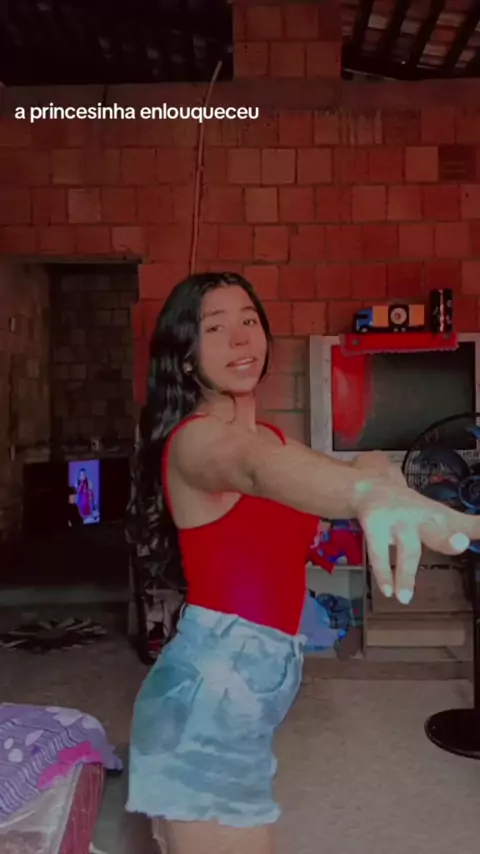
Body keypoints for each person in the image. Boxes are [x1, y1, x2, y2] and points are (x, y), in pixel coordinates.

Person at [125, 272, 477, 854]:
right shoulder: (197, 441)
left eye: (249, 320)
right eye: (215, 328)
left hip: (246, 688)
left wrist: (384, 480)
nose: (241, 338)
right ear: (185, 358)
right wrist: (366, 490)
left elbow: (331, 477)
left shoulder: (270, 436)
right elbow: (257, 469)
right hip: (208, 702)